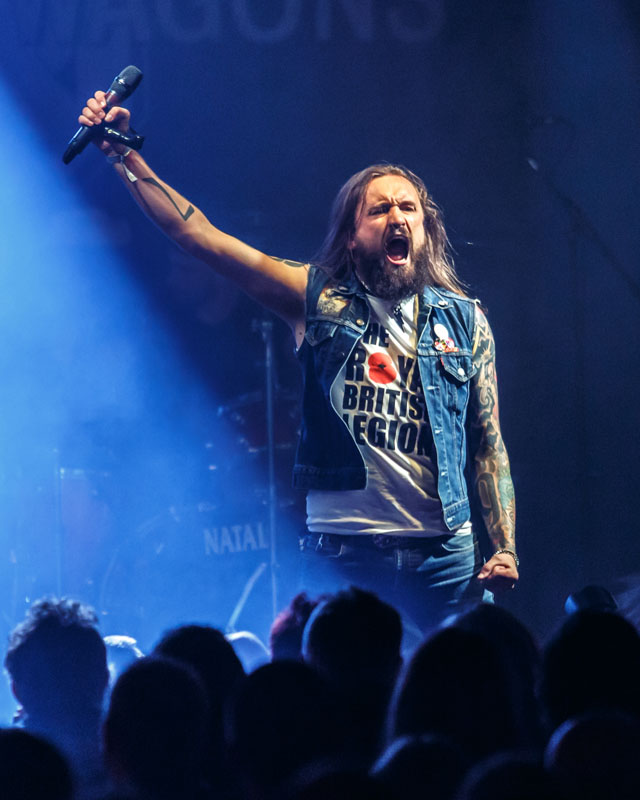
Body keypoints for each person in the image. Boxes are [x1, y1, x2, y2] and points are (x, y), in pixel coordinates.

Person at [77, 89, 518, 630]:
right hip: (346, 554)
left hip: (447, 560)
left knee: (463, 682)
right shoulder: (316, 298)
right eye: (380, 209)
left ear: (425, 230)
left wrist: (504, 547)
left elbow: (488, 441)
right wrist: (123, 154)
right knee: (343, 682)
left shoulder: (466, 321)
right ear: (352, 238)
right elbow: (200, 237)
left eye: (408, 208)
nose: (397, 217)